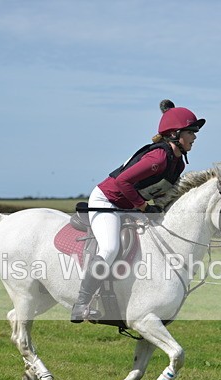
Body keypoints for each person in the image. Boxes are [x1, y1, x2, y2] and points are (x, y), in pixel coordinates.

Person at [70, 99, 206, 323]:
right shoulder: (158, 158)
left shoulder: (178, 163)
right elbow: (122, 182)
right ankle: (81, 304)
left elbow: (161, 192)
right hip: (108, 201)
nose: (194, 137)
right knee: (110, 248)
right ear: (175, 134)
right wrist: (144, 207)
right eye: (190, 132)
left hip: (129, 206)